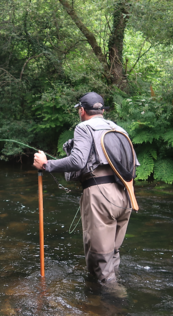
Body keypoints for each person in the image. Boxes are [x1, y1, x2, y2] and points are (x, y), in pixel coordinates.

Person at [33, 92, 134, 284]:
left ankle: (112, 304)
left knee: (100, 259)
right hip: (126, 195)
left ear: (81, 110)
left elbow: (77, 161)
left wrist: (47, 165)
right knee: (113, 254)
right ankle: (112, 296)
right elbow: (132, 166)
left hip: (100, 196)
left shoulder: (83, 127)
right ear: (102, 110)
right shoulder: (120, 130)